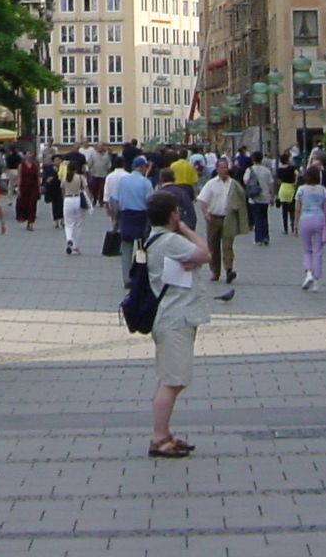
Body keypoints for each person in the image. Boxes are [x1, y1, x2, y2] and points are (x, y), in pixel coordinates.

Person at [141, 188, 212, 459]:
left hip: (171, 316)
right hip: (174, 318)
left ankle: (165, 433)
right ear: (172, 215)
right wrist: (185, 228)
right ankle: (159, 438)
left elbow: (194, 259)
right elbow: (205, 253)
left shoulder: (158, 239)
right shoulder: (170, 241)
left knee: (171, 378)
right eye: (178, 212)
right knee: (172, 381)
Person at [195, 162, 247, 291]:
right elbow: (202, 200)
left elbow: (241, 198)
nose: (225, 170)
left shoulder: (233, 184)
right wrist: (205, 213)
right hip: (213, 218)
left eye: (226, 167)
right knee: (213, 245)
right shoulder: (211, 184)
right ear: (217, 169)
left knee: (228, 245)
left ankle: (229, 270)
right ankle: (215, 272)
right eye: (222, 168)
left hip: (228, 218)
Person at [297, 163, 326, 290]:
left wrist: (296, 224)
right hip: (319, 219)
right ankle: (317, 280)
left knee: (307, 250)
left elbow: (297, 208)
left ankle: (308, 273)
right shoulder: (322, 189)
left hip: (305, 219)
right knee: (317, 250)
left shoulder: (301, 189)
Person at [115, 155, 154, 266]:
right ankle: (139, 272)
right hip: (141, 215)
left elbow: (116, 200)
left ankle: (127, 277)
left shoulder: (123, 181)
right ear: (141, 167)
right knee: (142, 246)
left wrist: (115, 219)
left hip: (126, 215)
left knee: (126, 246)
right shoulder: (145, 182)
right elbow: (150, 201)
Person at [244, 153, 276, 246]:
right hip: (265, 197)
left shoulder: (249, 170)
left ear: (253, 159)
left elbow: (245, 181)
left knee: (257, 218)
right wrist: (272, 197)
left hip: (254, 197)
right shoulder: (266, 170)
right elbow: (271, 184)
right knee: (264, 217)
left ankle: (258, 238)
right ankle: (266, 237)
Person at [61, 156, 90, 255]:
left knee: (68, 223)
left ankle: (69, 239)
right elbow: (85, 189)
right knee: (78, 224)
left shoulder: (65, 178)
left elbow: (62, 190)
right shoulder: (81, 178)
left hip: (67, 200)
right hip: (78, 199)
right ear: (77, 168)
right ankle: (76, 247)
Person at [15, 153, 40, 232]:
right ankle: (24, 218)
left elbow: (38, 177)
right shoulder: (21, 166)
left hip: (33, 187)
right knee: (24, 204)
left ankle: (31, 223)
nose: (29, 156)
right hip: (24, 187)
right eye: (28, 154)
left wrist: (39, 188)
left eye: (30, 154)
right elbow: (19, 177)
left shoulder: (35, 166)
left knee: (32, 205)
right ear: (25, 156)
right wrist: (18, 189)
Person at [274, 159, 298, 236]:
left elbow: (278, 180)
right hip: (291, 188)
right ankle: (293, 226)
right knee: (292, 209)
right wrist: (295, 182)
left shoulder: (279, 170)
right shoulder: (292, 168)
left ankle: (285, 228)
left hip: (283, 188)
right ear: (287, 161)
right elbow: (297, 174)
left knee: (284, 209)